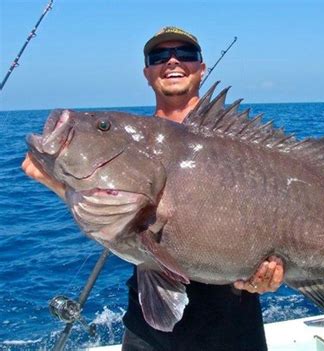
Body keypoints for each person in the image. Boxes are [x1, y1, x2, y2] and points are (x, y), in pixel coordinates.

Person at [21, 26, 284, 351]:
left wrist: (270, 276)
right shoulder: (133, 142)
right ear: (147, 73)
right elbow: (116, 222)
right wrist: (59, 180)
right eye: (159, 56)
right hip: (148, 331)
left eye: (185, 54)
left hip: (235, 327)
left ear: (202, 68)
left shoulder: (243, 148)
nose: (172, 61)